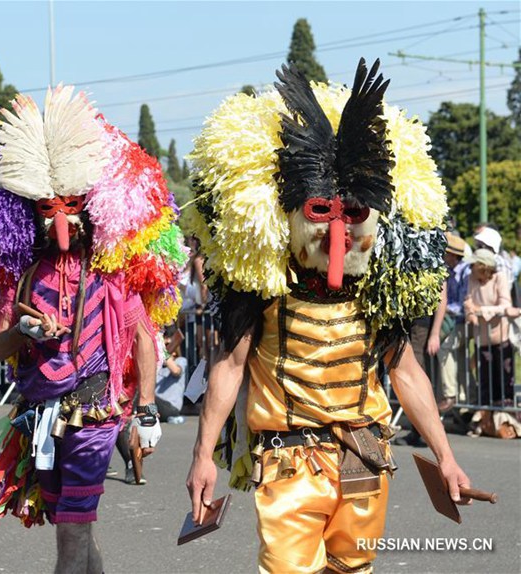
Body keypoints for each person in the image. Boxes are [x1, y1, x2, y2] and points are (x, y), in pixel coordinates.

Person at [185, 59, 471, 573]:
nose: (337, 232)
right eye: (320, 211)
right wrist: (202, 455)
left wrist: (447, 457)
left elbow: (406, 372)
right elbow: (229, 367)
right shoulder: (265, 291)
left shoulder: (378, 291)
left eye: (354, 214)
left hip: (365, 455)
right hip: (288, 461)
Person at [0, 85, 186, 574]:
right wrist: (28, 333)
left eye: (72, 203)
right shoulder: (24, 273)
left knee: (73, 527)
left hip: (95, 413)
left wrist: (144, 411)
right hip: (40, 416)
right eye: (48, 206)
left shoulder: (111, 271)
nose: (62, 219)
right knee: (70, 521)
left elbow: (142, 339)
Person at [463, 249, 513, 405]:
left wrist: (481, 311)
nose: (470, 267)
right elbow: (468, 301)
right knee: (485, 381)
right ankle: (485, 420)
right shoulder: (472, 278)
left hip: (500, 337)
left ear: (482, 266)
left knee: (503, 382)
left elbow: (505, 305)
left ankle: (506, 421)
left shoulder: (500, 278)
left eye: (474, 264)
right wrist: (470, 312)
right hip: (482, 338)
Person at [435, 233, 470, 412]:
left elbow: (465, 300)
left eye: (446, 253)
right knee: (460, 359)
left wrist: (447, 308)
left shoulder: (466, 272)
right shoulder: (449, 271)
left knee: (445, 348)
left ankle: (450, 395)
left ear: (454, 255)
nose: (444, 256)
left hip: (463, 322)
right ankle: (463, 400)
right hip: (456, 322)